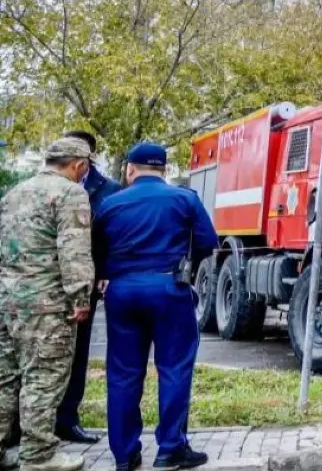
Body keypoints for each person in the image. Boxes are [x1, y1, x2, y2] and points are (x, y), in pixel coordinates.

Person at [95, 143, 218, 471]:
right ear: (163, 170)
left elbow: (96, 248)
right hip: (168, 288)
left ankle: (124, 455)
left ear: (130, 169)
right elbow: (208, 241)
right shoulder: (184, 199)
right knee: (174, 367)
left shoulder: (110, 204)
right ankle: (170, 450)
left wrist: (109, 272)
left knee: (123, 373)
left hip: (121, 291)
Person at [0, 138, 96, 471]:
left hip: (8, 300)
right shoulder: (71, 194)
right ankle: (38, 455)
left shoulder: (14, 194)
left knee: (5, 379)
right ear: (79, 165)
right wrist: (80, 296)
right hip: (47, 305)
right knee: (43, 378)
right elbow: (74, 250)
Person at [56, 131, 122, 445]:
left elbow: (112, 238)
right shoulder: (48, 183)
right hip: (46, 282)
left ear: (87, 157)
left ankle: (67, 419)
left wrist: (105, 273)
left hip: (86, 282)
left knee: (78, 351)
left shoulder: (109, 190)